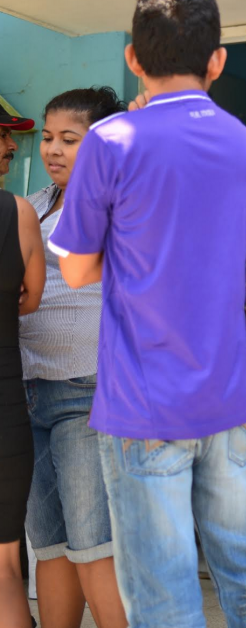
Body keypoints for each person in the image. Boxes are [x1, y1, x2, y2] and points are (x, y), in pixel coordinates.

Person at [48, 1, 246, 626]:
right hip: (230, 396)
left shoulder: (112, 140)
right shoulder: (245, 142)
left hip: (144, 400)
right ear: (218, 61)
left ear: (133, 59)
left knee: (163, 590)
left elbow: (74, 268)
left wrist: (130, 253)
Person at [21, 87, 128, 628]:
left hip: (86, 389)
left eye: (69, 139)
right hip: (27, 388)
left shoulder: (118, 207)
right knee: (50, 542)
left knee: (93, 541)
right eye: (46, 137)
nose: (52, 150)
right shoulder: (35, 204)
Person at [0, 132, 46, 625]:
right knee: (4, 569)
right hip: (4, 402)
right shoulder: (18, 212)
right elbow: (29, 300)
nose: (11, 145)